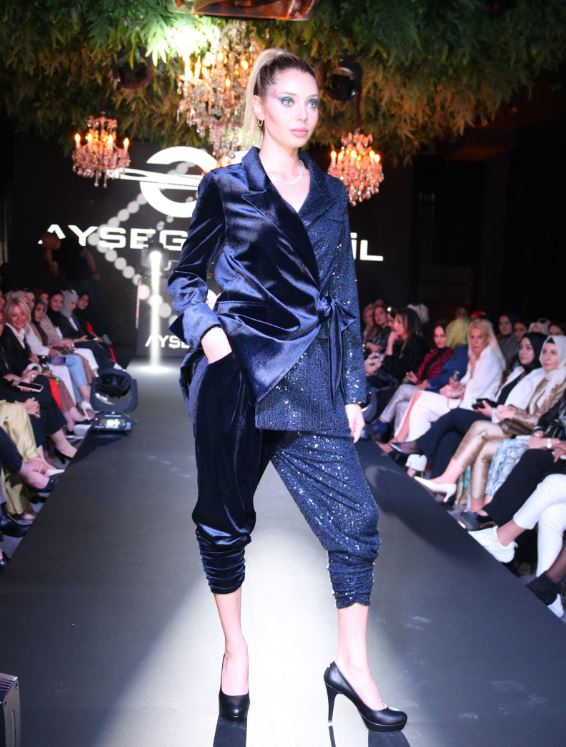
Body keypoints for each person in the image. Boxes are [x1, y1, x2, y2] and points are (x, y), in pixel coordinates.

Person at [168, 49, 406, 733]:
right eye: (288, 100)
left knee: (356, 521)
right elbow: (185, 278)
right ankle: (235, 651)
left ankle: (351, 666)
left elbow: (343, 296)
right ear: (260, 106)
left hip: (310, 383)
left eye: (312, 103)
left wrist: (353, 390)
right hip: (238, 376)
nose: (303, 115)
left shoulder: (331, 194)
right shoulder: (226, 186)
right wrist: (208, 328)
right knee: (223, 524)